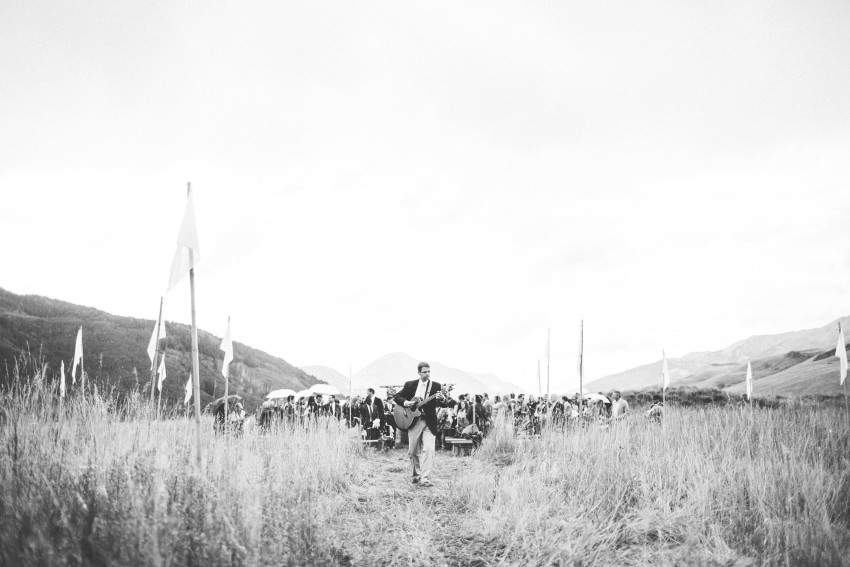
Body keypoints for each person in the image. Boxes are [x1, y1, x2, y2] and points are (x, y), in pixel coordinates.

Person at [393, 361, 446, 487]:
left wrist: (442, 399)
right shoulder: (410, 385)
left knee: (429, 450)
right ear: (418, 372)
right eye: (424, 372)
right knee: (413, 451)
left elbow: (443, 404)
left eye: (429, 371)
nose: (427, 374)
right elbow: (397, 397)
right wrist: (406, 403)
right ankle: (416, 475)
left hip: (429, 422)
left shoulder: (436, 386)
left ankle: (425, 478)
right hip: (413, 421)